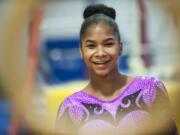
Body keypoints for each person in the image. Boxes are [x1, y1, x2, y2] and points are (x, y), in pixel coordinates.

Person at [55, 4, 178, 135]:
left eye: (108, 44)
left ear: (120, 47)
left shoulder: (150, 90)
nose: (100, 53)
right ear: (81, 51)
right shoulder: (72, 108)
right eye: (91, 46)